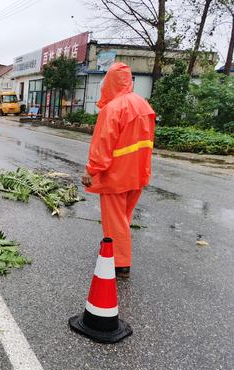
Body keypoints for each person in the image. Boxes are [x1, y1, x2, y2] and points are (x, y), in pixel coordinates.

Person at [81, 62, 156, 279]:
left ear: (111, 82)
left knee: (115, 220)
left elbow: (103, 143)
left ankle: (120, 263)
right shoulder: (143, 105)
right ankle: (112, 250)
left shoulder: (113, 108)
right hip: (138, 173)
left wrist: (91, 170)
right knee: (123, 218)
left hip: (116, 175)